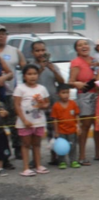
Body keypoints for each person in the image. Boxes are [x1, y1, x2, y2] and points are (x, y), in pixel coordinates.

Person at [31, 40, 64, 164]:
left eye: (43, 50)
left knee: (53, 130)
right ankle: (35, 159)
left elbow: (61, 82)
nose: (40, 53)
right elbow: (30, 80)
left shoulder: (53, 66)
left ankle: (54, 156)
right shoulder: (31, 67)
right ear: (32, 52)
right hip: (36, 103)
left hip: (51, 102)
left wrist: (53, 70)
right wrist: (41, 69)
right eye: (37, 50)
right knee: (35, 132)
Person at [14, 64, 50, 176]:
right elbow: (17, 105)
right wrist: (24, 120)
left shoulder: (42, 88)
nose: (32, 76)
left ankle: (38, 165)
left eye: (34, 74)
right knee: (25, 144)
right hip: (25, 122)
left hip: (38, 121)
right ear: (24, 76)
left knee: (37, 144)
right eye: (29, 74)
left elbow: (47, 103)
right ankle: (26, 168)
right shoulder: (20, 88)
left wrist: (43, 105)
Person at [68, 39, 99, 165]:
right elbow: (70, 82)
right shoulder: (76, 62)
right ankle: (81, 156)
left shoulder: (94, 61)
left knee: (98, 125)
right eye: (80, 45)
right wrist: (77, 83)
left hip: (97, 94)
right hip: (84, 95)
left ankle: (98, 154)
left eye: (85, 44)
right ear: (76, 49)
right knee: (85, 125)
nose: (84, 46)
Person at [0, 24, 27, 161]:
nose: (1, 36)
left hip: (12, 92)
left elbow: (25, 67)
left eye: (3, 33)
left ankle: (17, 148)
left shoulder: (15, 51)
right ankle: (4, 153)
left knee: (14, 122)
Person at [50, 84, 81, 169]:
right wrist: (56, 132)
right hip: (61, 131)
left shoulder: (73, 104)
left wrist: (78, 127)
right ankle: (62, 161)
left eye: (67, 92)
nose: (66, 95)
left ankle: (73, 160)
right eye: (63, 93)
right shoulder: (56, 106)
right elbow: (55, 119)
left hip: (72, 130)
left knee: (73, 146)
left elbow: (77, 116)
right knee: (61, 146)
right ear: (58, 94)